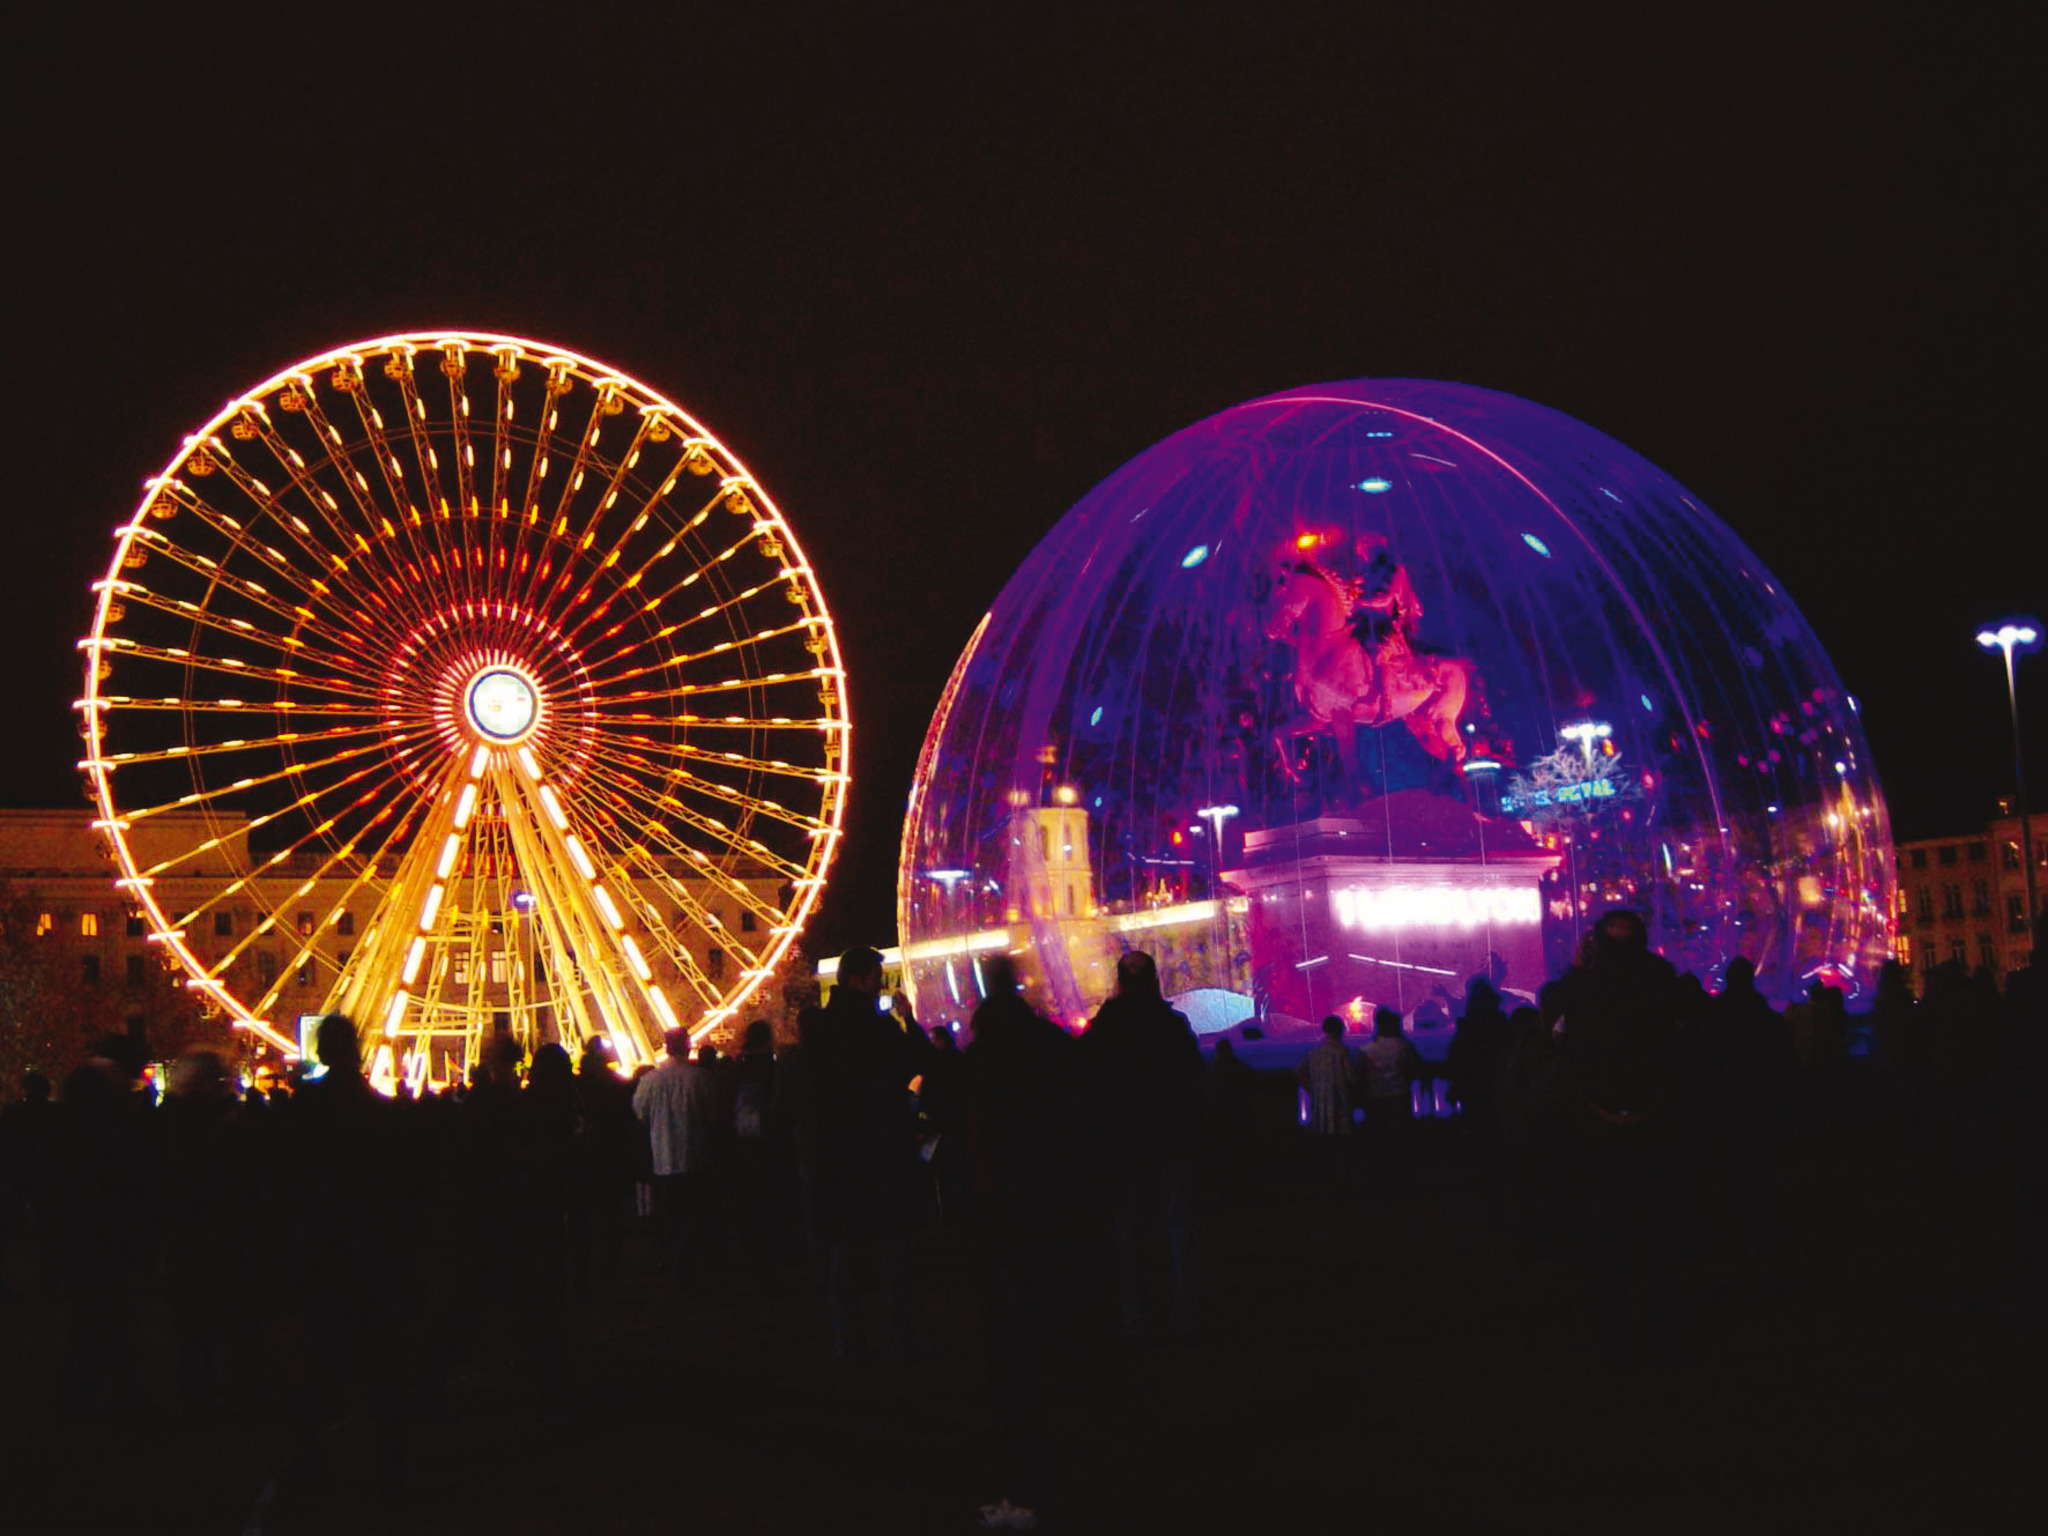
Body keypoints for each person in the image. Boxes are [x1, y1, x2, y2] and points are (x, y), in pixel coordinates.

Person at [1547, 909, 1687, 1365]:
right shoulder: (1663, 984)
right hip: (1658, 1130)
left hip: (1597, 1134)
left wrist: (1577, 966)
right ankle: (1663, 1334)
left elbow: (1553, 1023)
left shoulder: (1580, 991)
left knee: (1604, 1243)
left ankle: (1614, 1339)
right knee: (1660, 1241)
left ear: (1596, 946)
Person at [966, 956, 1074, 1528]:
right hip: (1047, 1190)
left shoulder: (983, 1054)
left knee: (1008, 1341)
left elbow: (974, 1122)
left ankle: (1019, 1490)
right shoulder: (1046, 1042)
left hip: (1000, 1195)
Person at [811, 945, 933, 1359]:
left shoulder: (819, 1030)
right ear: (860, 979)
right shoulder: (876, 1029)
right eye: (876, 977)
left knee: (842, 1251)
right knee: (892, 1246)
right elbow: (919, 1062)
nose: (880, 984)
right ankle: (898, 1337)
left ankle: (848, 1340)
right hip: (880, 1148)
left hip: (837, 1153)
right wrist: (908, 1021)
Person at [1079, 950, 1203, 1338]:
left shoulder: (1104, 1027)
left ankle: (1134, 1312)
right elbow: (1194, 1078)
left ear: (1118, 981)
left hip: (1124, 1143)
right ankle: (1185, 1313)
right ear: (1154, 980)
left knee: (1128, 1229)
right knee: (1178, 1228)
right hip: (1171, 1139)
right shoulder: (1172, 1024)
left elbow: (1086, 1083)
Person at [633, 1027, 719, 1285]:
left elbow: (640, 1113)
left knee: (670, 1217)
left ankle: (672, 1263)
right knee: (693, 1216)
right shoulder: (700, 1079)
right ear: (688, 1046)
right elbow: (713, 1116)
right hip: (695, 1156)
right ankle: (689, 1264)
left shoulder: (650, 1081)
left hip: (663, 1158)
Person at [1358, 1007, 1424, 1194]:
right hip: (1399, 1098)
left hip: (1375, 1100)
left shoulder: (1366, 1049)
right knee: (1400, 1140)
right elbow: (1418, 1066)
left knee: (1379, 1141)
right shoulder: (1404, 1046)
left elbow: (1360, 1075)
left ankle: (1379, 1182)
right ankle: (1404, 1181)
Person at [1296, 1015, 1359, 1182]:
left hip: (1319, 1099)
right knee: (1341, 1135)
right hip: (1340, 1098)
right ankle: (1342, 1174)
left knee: (1323, 1134)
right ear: (1341, 1030)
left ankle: (1326, 1173)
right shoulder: (1343, 1051)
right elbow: (1352, 1077)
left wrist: (1311, 1087)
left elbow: (1299, 1070)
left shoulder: (1314, 1052)